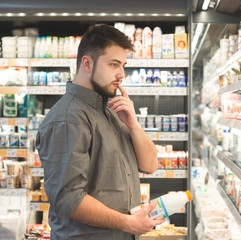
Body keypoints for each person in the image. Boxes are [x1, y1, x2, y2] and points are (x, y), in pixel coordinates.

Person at [36, 24, 164, 240]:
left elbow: (150, 165)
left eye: (123, 65)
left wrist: (134, 124)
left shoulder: (112, 109)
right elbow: (69, 198)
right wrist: (128, 223)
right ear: (87, 63)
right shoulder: (68, 119)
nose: (122, 74)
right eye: (114, 64)